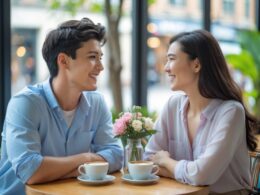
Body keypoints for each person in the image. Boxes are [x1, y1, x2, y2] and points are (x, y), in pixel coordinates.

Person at [0, 17, 123, 195]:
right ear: (63, 60)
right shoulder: (26, 103)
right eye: (92, 57)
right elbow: (30, 170)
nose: (101, 66)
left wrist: (53, 170)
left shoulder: (96, 102)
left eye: (100, 57)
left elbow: (117, 155)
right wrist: (87, 159)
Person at [144, 30, 259, 194]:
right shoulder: (172, 106)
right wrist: (187, 173)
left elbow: (203, 175)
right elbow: (148, 160)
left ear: (196, 65)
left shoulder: (231, 112)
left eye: (171, 59)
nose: (166, 68)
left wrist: (166, 161)